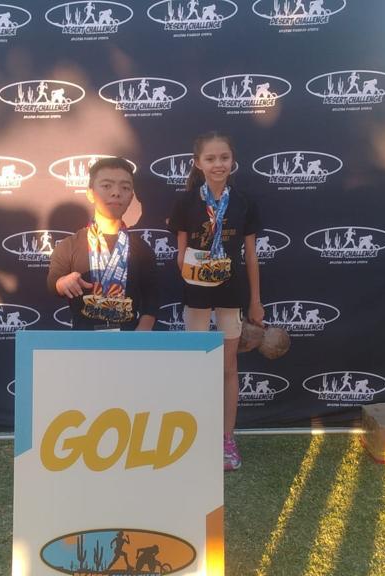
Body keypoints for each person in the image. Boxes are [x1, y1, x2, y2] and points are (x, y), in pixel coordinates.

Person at [168, 131, 264, 471]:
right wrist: (198, 272)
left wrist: (255, 301)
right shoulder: (185, 203)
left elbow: (251, 256)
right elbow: (180, 254)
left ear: (232, 160)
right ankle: (194, 436)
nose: (218, 164)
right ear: (198, 163)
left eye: (224, 157)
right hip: (196, 292)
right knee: (196, 367)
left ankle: (226, 438)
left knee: (227, 368)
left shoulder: (244, 202)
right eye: (210, 159)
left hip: (231, 294)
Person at [48, 157, 158, 331]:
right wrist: (62, 283)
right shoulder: (69, 245)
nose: (116, 193)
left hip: (129, 342)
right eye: (107, 186)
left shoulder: (143, 249)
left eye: (125, 187)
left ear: (131, 196)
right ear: (90, 193)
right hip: (82, 343)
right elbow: (53, 282)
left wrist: (142, 332)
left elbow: (152, 299)